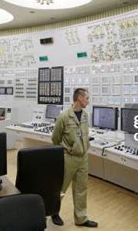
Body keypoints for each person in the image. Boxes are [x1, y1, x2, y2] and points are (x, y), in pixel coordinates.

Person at [51, 88, 98, 228]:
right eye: (87, 98)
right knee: (61, 188)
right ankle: (54, 212)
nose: (88, 101)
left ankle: (81, 218)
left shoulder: (85, 115)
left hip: (83, 158)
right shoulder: (64, 116)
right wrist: (68, 149)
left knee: (81, 189)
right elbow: (55, 138)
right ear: (79, 98)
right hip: (68, 158)